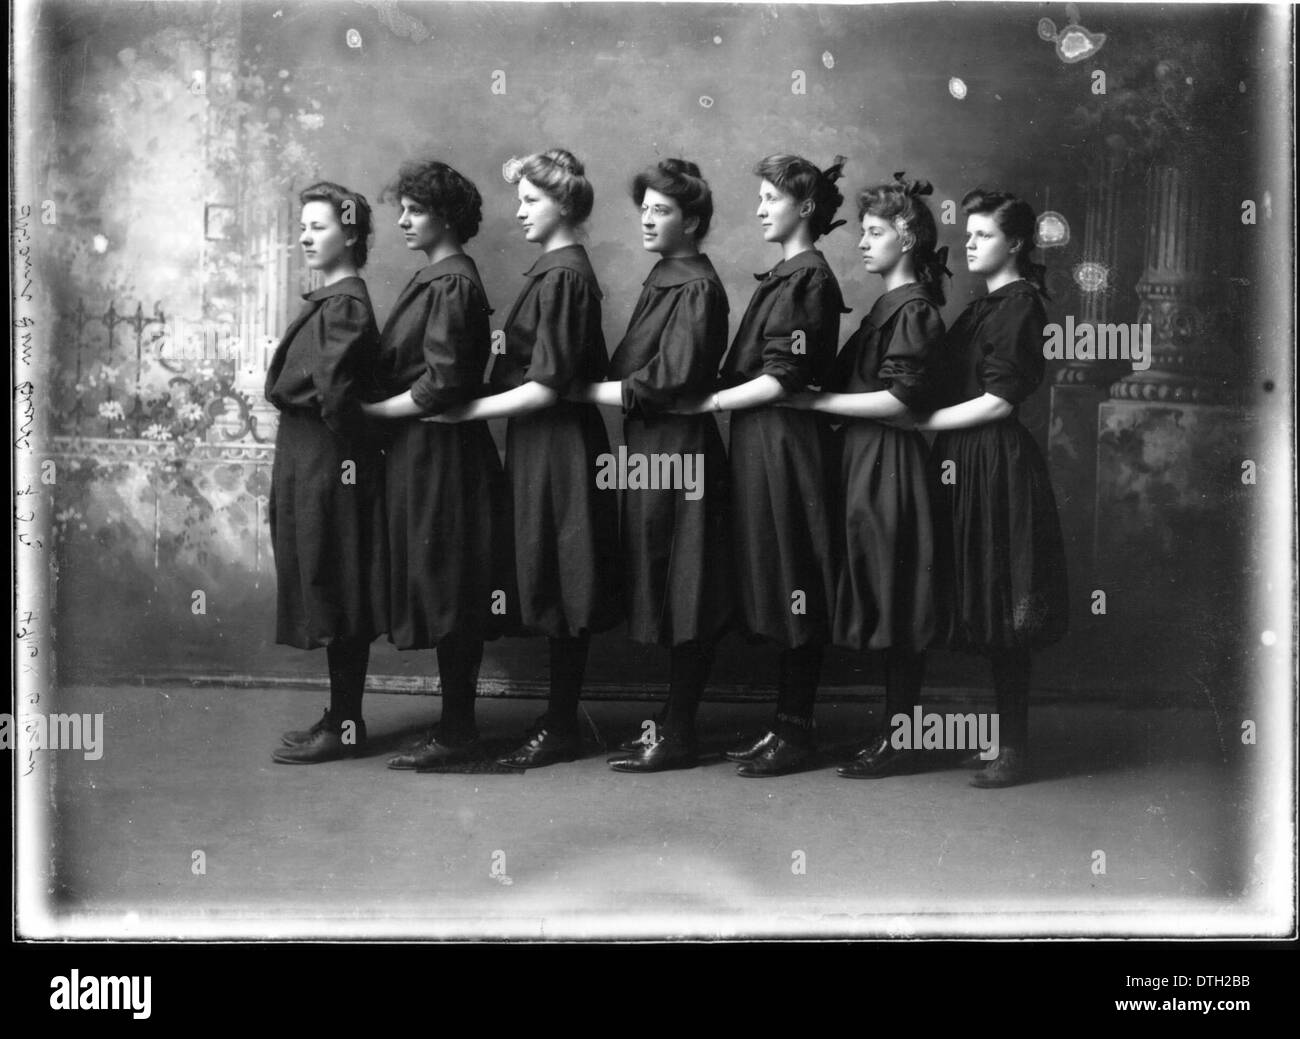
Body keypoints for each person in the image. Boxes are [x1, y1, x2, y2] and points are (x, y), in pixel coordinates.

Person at [425, 149, 621, 769]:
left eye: (532, 200)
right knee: (550, 574)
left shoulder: (565, 275)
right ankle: (557, 722)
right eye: (520, 199)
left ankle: (561, 725)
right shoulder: (553, 270)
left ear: (564, 205)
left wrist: (462, 412)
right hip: (540, 442)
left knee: (568, 574)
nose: (520, 211)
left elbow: (546, 385)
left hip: (560, 443)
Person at [677, 154, 849, 778]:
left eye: (770, 197)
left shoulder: (810, 279)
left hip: (785, 447)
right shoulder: (787, 274)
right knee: (776, 581)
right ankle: (783, 725)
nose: (757, 208)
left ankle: (796, 730)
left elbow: (784, 377)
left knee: (795, 576)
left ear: (804, 207)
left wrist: (713, 401)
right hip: (761, 443)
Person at [902, 187, 1069, 788]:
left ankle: (1015, 749)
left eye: (984, 235)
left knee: (1003, 601)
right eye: (967, 233)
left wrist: (919, 423)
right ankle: (997, 742)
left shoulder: (1022, 305)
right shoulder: (982, 306)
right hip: (960, 459)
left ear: (1017, 244)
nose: (969, 242)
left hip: (995, 463)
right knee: (972, 595)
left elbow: (998, 401)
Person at [783, 172, 949, 778]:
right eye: (862, 231)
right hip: (863, 462)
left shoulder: (915, 309)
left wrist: (814, 404)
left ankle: (903, 736)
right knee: (880, 591)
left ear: (907, 240)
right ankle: (894, 733)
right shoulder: (888, 305)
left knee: (897, 597)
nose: (861, 242)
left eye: (875, 232)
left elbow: (902, 402)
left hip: (889, 464)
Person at [572, 158, 733, 772]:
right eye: (644, 207)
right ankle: (670, 725)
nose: (646, 218)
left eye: (661, 210)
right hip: (651, 455)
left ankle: (680, 732)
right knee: (663, 581)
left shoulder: (695, 286)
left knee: (685, 589)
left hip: (681, 455)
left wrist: (579, 392)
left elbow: (667, 382)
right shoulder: (667, 274)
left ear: (692, 221)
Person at [360, 160, 514, 772]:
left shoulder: (453, 282)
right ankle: (456, 727)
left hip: (443, 459)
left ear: (446, 216)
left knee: (452, 588)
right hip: (423, 455)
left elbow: (442, 383)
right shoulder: (438, 277)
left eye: (415, 210)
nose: (401, 220)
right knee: (444, 584)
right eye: (400, 209)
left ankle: (457, 732)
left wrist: (374, 413)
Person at [269, 181, 388, 764]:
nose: (306, 236)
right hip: (310, 457)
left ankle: (347, 724)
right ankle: (342, 716)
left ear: (353, 234)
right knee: (327, 579)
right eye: (304, 227)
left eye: (319, 226)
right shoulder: (330, 299)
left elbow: (337, 398)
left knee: (336, 581)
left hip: (329, 462)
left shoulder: (344, 303)